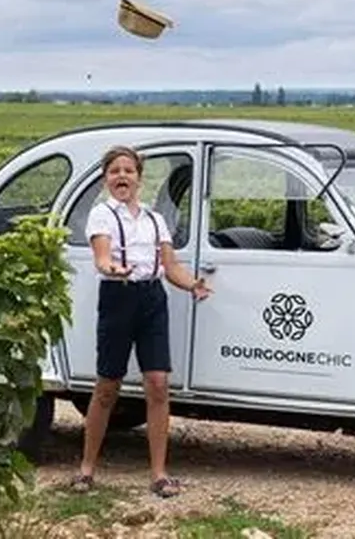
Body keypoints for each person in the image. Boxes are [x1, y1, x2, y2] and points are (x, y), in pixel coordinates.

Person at [71, 145, 212, 498]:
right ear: (106, 179)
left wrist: (192, 284)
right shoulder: (102, 215)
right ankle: (86, 468)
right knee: (108, 386)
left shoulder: (154, 219)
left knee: (159, 383)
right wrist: (113, 269)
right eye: (115, 171)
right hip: (118, 297)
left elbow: (170, 266)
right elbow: (102, 257)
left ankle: (159, 474)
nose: (122, 176)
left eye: (128, 170)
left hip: (152, 299)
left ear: (139, 178)